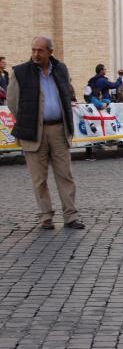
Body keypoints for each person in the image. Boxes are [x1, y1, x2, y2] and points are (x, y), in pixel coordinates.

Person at [7, 36, 84, 230]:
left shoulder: (61, 69)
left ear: (50, 52)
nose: (35, 54)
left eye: (40, 50)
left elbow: (67, 95)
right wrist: (29, 120)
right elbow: (12, 103)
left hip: (59, 129)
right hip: (33, 132)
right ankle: (46, 216)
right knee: (39, 179)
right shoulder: (20, 72)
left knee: (65, 175)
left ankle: (71, 215)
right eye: (33, 50)